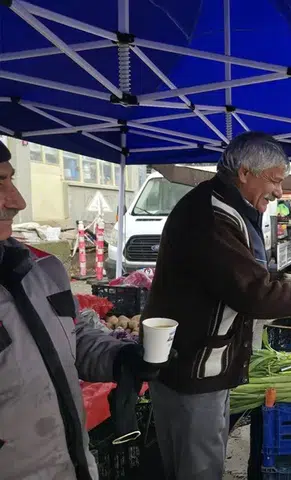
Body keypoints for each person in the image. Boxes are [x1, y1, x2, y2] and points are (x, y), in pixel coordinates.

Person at [143, 132, 291, 479]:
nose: (279, 192)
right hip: (193, 370)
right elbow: (256, 295)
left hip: (191, 364)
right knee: (198, 469)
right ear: (244, 173)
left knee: (189, 464)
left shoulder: (219, 205)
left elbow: (245, 280)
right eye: (274, 180)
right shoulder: (213, 217)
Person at [0, 142, 157, 479]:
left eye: (11, 180)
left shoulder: (42, 268)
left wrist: (120, 358)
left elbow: (72, 336)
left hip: (70, 465)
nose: (17, 201)